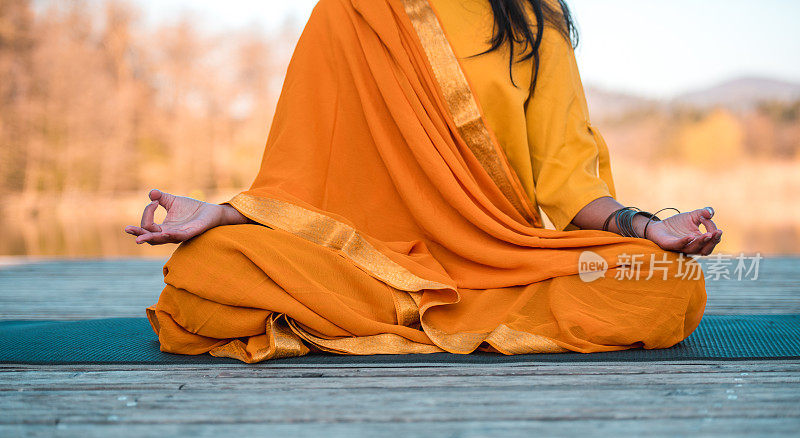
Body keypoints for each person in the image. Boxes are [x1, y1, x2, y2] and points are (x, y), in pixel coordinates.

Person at [124, 0, 722, 363]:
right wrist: (224, 215)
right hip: (364, 264)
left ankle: (399, 315)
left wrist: (647, 227)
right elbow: (300, 171)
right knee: (202, 270)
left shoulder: (536, 19)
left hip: (495, 263)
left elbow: (569, 184)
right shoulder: (349, 11)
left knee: (667, 282)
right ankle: (421, 311)